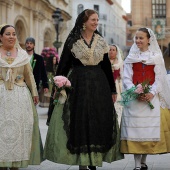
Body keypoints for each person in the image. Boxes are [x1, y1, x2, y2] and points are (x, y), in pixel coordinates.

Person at [44, 9, 124, 170]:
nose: (96, 22)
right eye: (93, 20)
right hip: (78, 85)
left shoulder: (101, 41)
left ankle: (94, 158)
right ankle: (82, 159)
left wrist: (112, 90)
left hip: (98, 85)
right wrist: (58, 85)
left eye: (97, 20)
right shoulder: (73, 40)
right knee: (79, 120)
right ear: (83, 22)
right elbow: (64, 64)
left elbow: (107, 67)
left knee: (97, 119)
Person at [120, 27, 170, 170]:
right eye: (136, 38)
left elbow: (159, 78)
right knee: (136, 131)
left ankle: (143, 161)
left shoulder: (156, 57)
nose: (138, 40)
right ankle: (137, 165)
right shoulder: (131, 57)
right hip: (135, 99)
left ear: (149, 40)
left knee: (147, 132)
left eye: (141, 38)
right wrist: (135, 89)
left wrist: (151, 93)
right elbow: (126, 77)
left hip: (150, 99)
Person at [0, 24, 43, 170]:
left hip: (20, 96)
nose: (11, 36)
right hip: (1, 97)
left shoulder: (22, 55)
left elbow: (29, 75)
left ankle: (15, 164)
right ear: (0, 37)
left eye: (13, 34)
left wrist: (35, 92)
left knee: (18, 130)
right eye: (7, 34)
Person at [109, 44, 123, 125]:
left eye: (113, 50)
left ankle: (116, 121)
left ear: (116, 52)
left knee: (117, 104)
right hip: (106, 84)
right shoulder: (105, 61)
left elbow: (122, 75)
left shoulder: (120, 62)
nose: (111, 51)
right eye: (110, 49)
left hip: (116, 85)